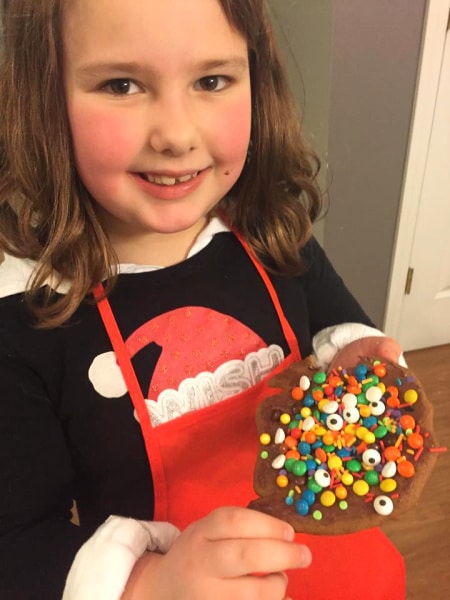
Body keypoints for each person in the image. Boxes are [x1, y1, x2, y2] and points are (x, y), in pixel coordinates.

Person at [0, 0, 406, 598]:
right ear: (44, 100)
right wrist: (149, 583)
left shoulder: (271, 232)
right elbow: (17, 541)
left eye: (212, 80)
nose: (177, 135)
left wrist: (361, 359)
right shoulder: (29, 316)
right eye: (122, 84)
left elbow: (341, 326)